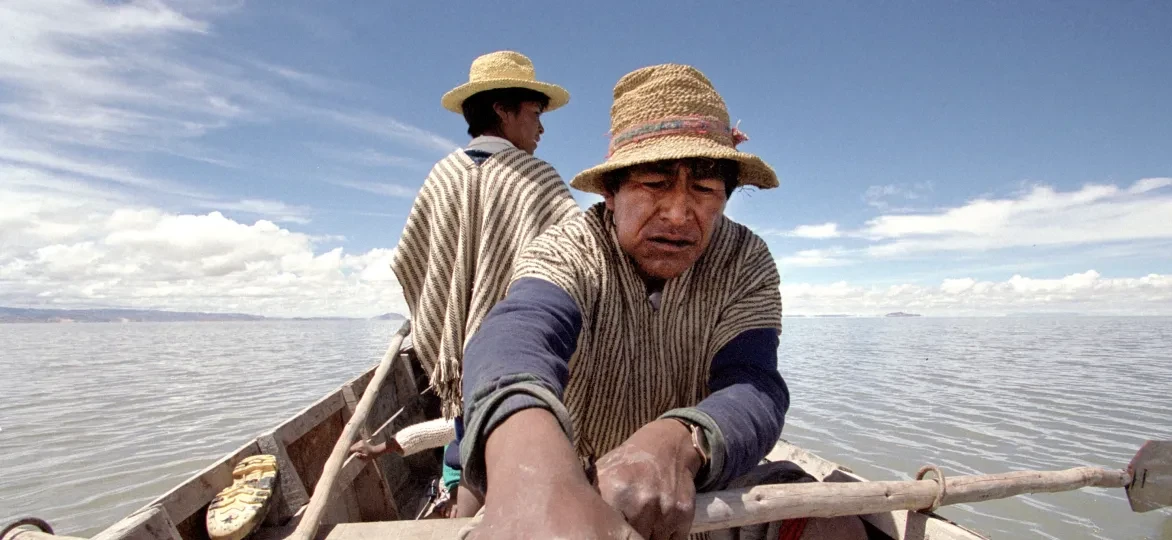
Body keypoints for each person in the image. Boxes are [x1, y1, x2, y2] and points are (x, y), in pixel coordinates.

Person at [457, 64, 867, 539]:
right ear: (611, 192)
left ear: (726, 197)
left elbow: (754, 382)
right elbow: (516, 336)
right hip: (579, 476)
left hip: (698, 483)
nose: (677, 214)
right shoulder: (569, 249)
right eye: (654, 184)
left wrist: (679, 441)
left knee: (832, 525)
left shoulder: (744, 260)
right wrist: (536, 473)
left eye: (705, 189)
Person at [357, 50, 580, 517]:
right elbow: (579, 254)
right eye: (535, 113)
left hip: (455, 357)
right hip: (523, 351)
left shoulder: (440, 176)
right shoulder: (537, 179)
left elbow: (411, 261)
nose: (541, 128)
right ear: (502, 109)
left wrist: (448, 319)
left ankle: (465, 509)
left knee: (465, 444)